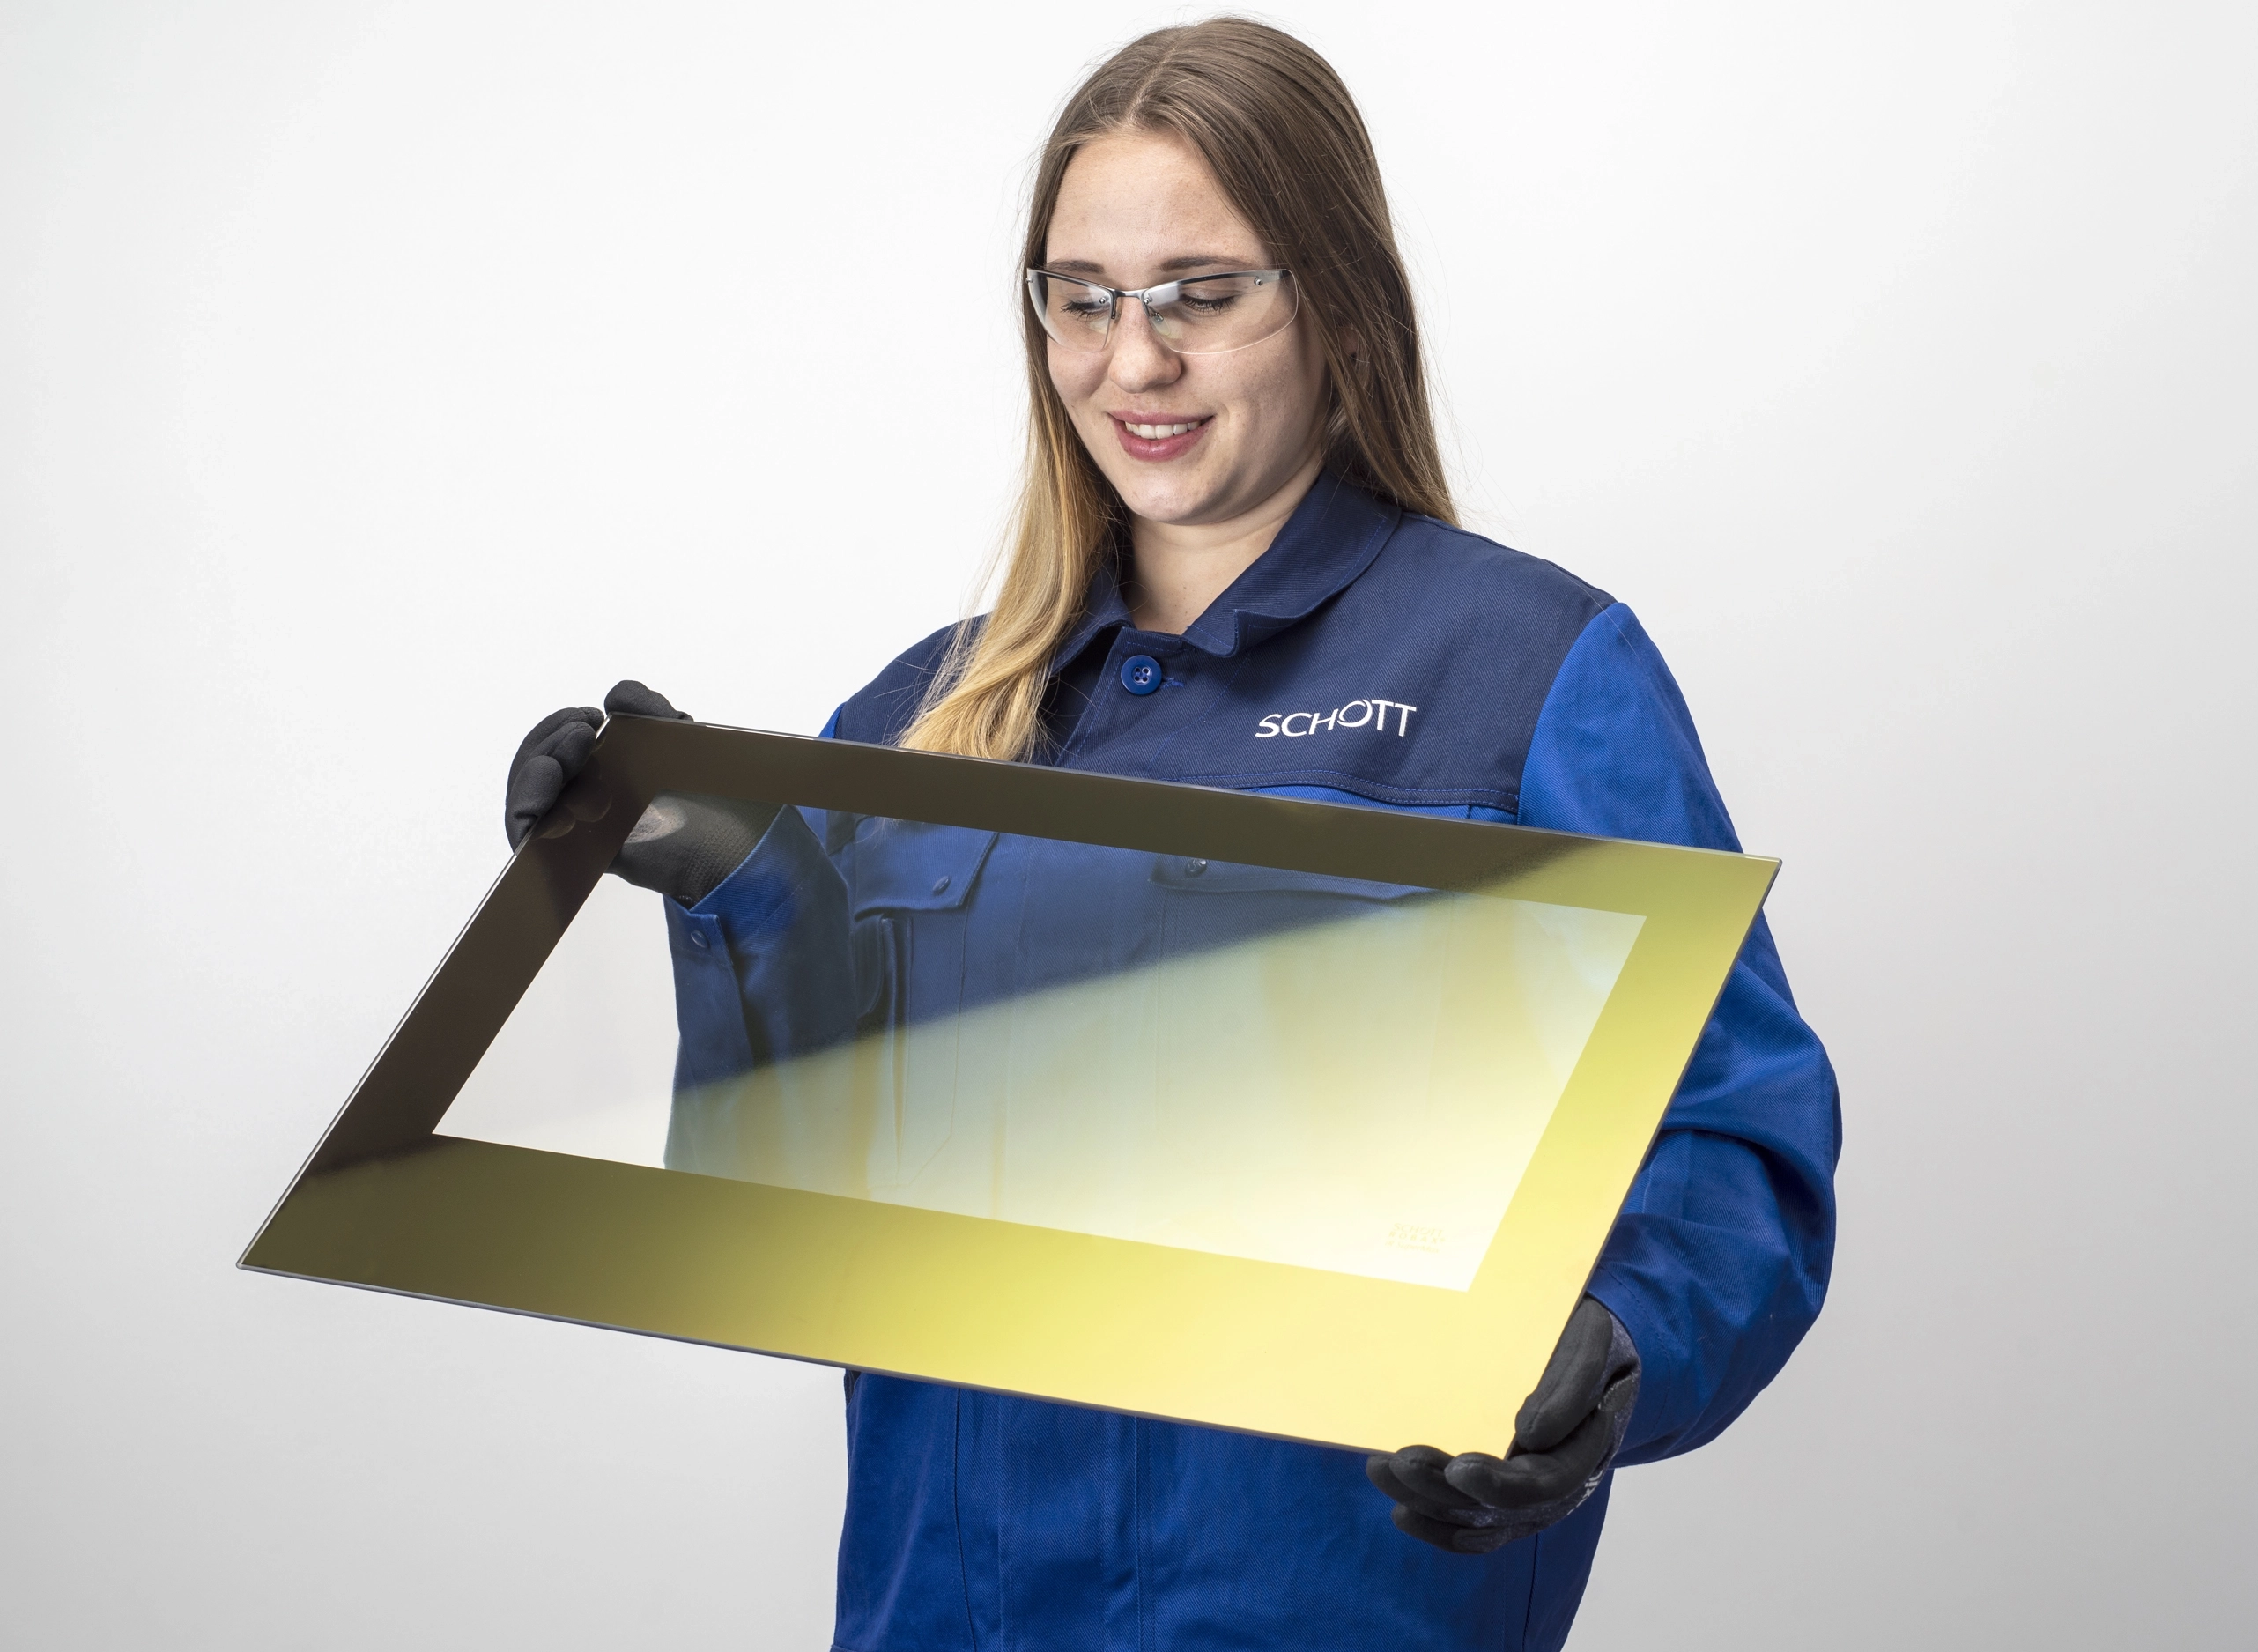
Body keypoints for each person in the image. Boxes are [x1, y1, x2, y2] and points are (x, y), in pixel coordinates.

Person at [503, 18, 1838, 1650]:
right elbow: (803, 1215)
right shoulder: (921, 716)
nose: (1132, 363)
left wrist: (1619, 1333)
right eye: (1083, 299)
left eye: (1202, 294)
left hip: (1330, 1604)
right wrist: (722, 864)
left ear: (1335, 302)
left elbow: (1736, 1145)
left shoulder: (1531, 674)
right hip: (946, 1610)